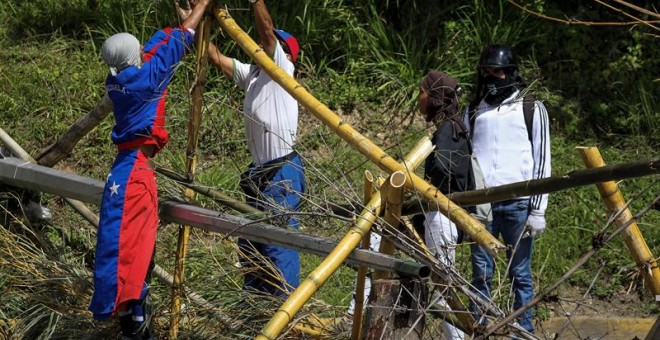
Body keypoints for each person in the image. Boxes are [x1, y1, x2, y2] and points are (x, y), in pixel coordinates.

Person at [88, 1, 212, 339]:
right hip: (133, 176)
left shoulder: (117, 81)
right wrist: (201, 6)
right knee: (134, 254)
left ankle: (133, 326)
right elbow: (180, 40)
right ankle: (136, 329)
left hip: (125, 171)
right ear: (134, 58)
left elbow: (167, 42)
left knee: (133, 251)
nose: (144, 50)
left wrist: (183, 22)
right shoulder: (146, 81)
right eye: (139, 49)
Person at [180, 0, 305, 296]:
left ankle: (284, 311)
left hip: (281, 173)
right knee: (252, 244)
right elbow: (214, 56)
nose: (261, 48)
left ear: (285, 55)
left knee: (278, 243)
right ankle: (257, 307)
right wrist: (191, 20)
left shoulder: (282, 71)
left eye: (270, 46)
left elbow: (266, 34)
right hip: (261, 175)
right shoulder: (253, 75)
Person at [465, 44, 551, 334]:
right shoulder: (474, 111)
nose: (492, 77)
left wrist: (538, 210)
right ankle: (480, 329)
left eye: (497, 72)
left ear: (511, 73)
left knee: (520, 274)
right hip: (482, 207)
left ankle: (522, 332)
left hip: (519, 204)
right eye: (487, 72)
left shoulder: (531, 108)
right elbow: (468, 162)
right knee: (481, 274)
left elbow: (542, 160)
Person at [418, 71, 473, 340]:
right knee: (443, 287)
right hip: (443, 216)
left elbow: (443, 167)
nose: (419, 99)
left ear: (435, 98)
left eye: (422, 92)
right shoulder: (454, 126)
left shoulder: (447, 129)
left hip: (442, 216)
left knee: (443, 290)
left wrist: (424, 186)